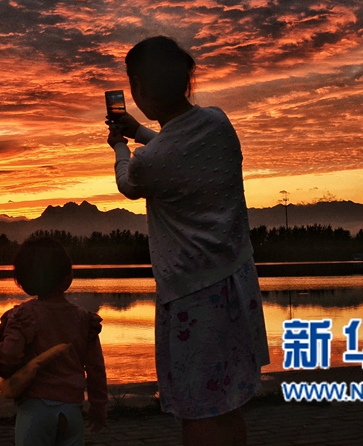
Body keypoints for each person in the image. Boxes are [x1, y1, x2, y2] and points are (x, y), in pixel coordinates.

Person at [106, 36, 269, 446]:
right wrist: (143, 132)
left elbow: (130, 183)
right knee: (228, 401)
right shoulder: (218, 123)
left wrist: (121, 146)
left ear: (139, 88)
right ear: (185, 81)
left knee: (196, 407)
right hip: (235, 281)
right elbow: (177, 150)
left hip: (190, 295)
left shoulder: (150, 161)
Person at [0, 236, 107, 446]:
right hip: (72, 410)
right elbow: (96, 368)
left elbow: (7, 357)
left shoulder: (25, 316)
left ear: (24, 282)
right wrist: (98, 405)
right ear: (67, 276)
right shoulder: (84, 319)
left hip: (35, 410)